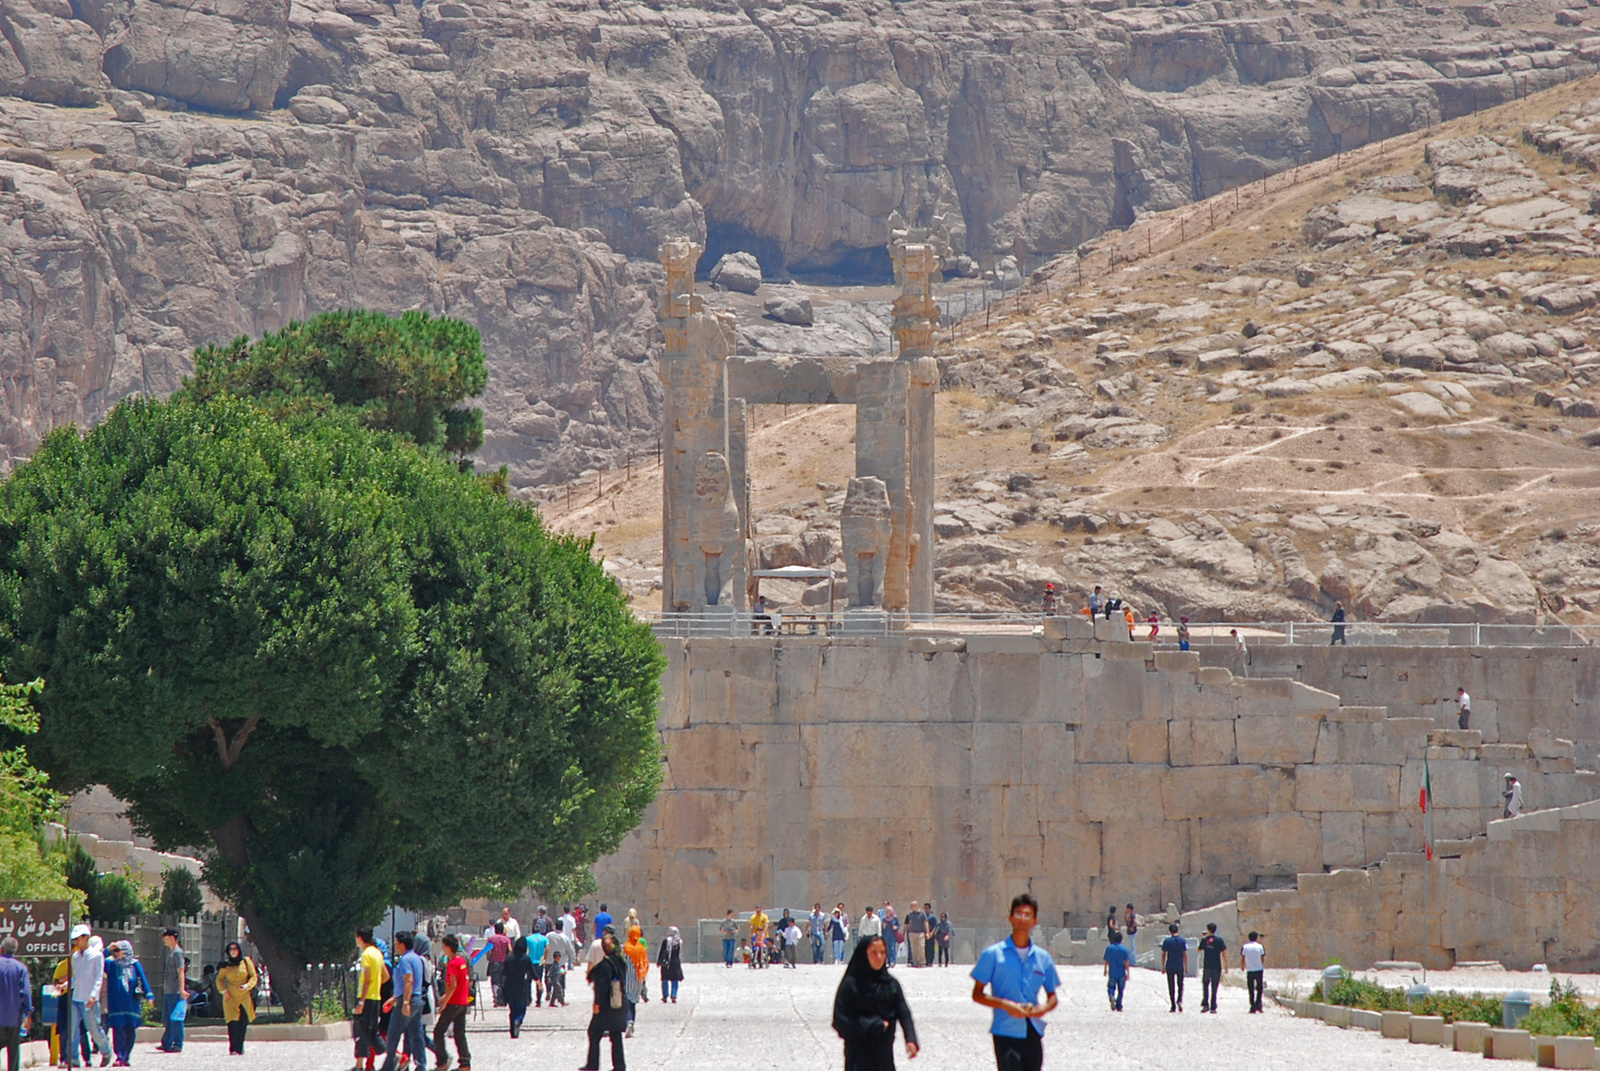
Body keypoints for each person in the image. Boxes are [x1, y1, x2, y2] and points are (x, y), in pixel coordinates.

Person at [971, 893, 1059, 1071]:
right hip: (1005, 1031)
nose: (1023, 918)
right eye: (1018, 913)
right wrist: (1004, 1004)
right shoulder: (993, 954)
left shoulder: (1043, 957)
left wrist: (1043, 1008)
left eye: (1028, 915)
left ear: (1035, 921)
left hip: (1033, 1031)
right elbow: (977, 994)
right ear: (1010, 918)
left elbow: (1053, 996)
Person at [833, 936, 917, 1071]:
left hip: (884, 1055)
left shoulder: (891, 984)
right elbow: (840, 1019)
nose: (879, 957)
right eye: (873, 952)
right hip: (859, 1056)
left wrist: (910, 1038)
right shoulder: (851, 985)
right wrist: (872, 1024)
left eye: (882, 952)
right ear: (864, 954)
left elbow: (903, 1012)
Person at [579, 930, 628, 1071]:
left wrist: (597, 1004)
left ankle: (593, 1065)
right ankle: (619, 1066)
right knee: (615, 1034)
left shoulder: (607, 965)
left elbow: (602, 986)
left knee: (594, 1032)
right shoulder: (620, 962)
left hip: (607, 1006)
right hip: (619, 1004)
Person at [65, 927, 112, 1069]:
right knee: (72, 1029)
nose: (77, 941)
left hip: (89, 1000)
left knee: (94, 1029)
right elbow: (77, 977)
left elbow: (98, 978)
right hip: (76, 997)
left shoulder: (97, 956)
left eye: (79, 938)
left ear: (86, 938)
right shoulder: (75, 957)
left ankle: (106, 1051)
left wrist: (93, 995)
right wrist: (66, 984)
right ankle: (73, 1058)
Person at [103, 941, 150, 1067]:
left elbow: (143, 979)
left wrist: (149, 995)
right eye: (116, 951)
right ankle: (119, 1056)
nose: (117, 953)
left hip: (131, 1004)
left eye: (120, 950)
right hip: (116, 1004)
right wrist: (107, 949)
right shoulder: (110, 964)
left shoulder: (134, 964)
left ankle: (126, 1056)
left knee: (130, 1030)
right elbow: (97, 961)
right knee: (118, 1030)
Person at [432, 935, 471, 1071]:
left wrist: (444, 1003)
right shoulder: (461, 961)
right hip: (462, 1002)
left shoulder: (453, 963)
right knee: (459, 1033)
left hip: (454, 1002)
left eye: (443, 946)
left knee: (438, 1032)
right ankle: (465, 1063)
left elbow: (453, 985)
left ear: (448, 947)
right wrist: (444, 997)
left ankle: (442, 1062)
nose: (442, 949)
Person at [353, 926, 389, 1071]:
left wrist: (361, 1001)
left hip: (366, 998)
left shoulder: (367, 955)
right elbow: (386, 976)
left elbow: (367, 979)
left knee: (364, 1031)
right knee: (368, 1031)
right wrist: (376, 984)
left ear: (360, 938)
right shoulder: (378, 953)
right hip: (376, 997)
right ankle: (359, 1065)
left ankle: (392, 1054)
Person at [215, 941, 257, 1056]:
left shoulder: (246, 961)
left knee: (243, 1022)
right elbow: (219, 979)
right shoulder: (226, 965)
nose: (233, 951)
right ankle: (233, 1047)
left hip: (244, 996)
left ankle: (240, 1046)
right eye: (231, 949)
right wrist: (224, 991)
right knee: (232, 1023)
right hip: (231, 997)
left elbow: (253, 976)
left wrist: (247, 986)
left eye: (235, 949)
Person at [0, 937, 30, 1071]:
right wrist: (28, 1013)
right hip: (14, 1016)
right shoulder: (21, 968)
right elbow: (26, 993)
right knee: (14, 1052)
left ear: (1, 949)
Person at [157, 928, 185, 1054]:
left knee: (176, 1019)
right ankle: (167, 1043)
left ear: (172, 937)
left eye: (165, 936)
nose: (163, 939)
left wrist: (182, 989)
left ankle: (178, 1043)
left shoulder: (178, 953)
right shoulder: (171, 952)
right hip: (168, 991)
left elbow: (181, 971)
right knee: (168, 1019)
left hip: (175, 991)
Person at [500, 936, 535, 1039]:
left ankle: (512, 1030)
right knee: (521, 1008)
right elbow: (532, 973)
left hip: (509, 986)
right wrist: (538, 982)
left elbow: (504, 973)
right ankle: (518, 1021)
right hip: (521, 986)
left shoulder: (509, 958)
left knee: (512, 1009)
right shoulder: (526, 958)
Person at [622, 927, 648, 1037]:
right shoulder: (641, 948)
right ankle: (632, 1023)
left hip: (627, 979)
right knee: (633, 1003)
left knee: (627, 1002)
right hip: (638, 980)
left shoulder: (626, 948)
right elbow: (644, 963)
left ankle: (628, 1022)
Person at [1197, 923, 1226, 1014]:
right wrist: (1227, 965)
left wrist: (1204, 938)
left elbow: (1199, 950)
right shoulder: (1219, 940)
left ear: (1208, 930)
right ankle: (1213, 1006)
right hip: (1217, 966)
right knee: (1214, 986)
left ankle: (1206, 1004)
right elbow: (1224, 954)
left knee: (1205, 985)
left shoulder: (1205, 940)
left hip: (1207, 966)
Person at [1161, 923, 1187, 1013]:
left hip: (1170, 965)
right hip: (1180, 965)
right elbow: (1184, 955)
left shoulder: (1167, 941)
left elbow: (1164, 954)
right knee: (1180, 984)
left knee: (1171, 985)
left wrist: (1163, 966)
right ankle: (1179, 999)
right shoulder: (1182, 941)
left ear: (1170, 931)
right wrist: (1186, 966)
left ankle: (1173, 1005)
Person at [1102, 933, 1130, 1012]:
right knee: (1121, 990)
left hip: (1112, 971)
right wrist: (1128, 972)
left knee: (1111, 987)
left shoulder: (1109, 948)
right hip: (1121, 972)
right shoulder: (1124, 949)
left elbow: (1106, 960)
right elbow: (1126, 962)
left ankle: (1111, 996)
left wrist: (1105, 969)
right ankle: (1119, 1005)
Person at [485, 922, 511, 1006]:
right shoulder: (506, 939)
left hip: (494, 961)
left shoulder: (491, 939)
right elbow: (510, 950)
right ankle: (502, 998)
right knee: (503, 980)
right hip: (504, 961)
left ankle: (496, 997)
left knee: (494, 980)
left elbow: (487, 950)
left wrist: (488, 957)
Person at [1241, 932, 1266, 1013]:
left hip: (1250, 970)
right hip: (1259, 969)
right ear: (1256, 938)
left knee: (1251, 988)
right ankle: (1258, 1003)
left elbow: (1243, 958)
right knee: (1259, 988)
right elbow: (1262, 958)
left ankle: (1252, 1005)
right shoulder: (1260, 947)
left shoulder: (1245, 947)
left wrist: (1243, 966)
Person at [525, 927, 549, 1009]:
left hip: (530, 962)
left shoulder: (528, 939)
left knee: (528, 981)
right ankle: (538, 1000)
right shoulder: (544, 939)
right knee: (539, 980)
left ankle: (528, 999)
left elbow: (525, 949)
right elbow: (547, 948)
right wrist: (545, 958)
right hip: (540, 962)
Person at [657, 928, 684, 1001]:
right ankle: (674, 995)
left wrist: (659, 962)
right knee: (675, 979)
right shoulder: (679, 942)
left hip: (667, 963)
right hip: (675, 962)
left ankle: (665, 996)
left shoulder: (666, 941)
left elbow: (662, 951)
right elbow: (680, 953)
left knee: (665, 978)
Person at [904, 903, 927, 969]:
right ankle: (915, 962)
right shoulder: (910, 914)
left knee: (921, 947)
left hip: (920, 932)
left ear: (916, 906)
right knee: (913, 948)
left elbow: (926, 922)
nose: (911, 907)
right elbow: (909, 923)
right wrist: (906, 932)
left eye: (912, 905)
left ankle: (922, 962)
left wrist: (927, 932)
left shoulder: (922, 914)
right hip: (912, 932)